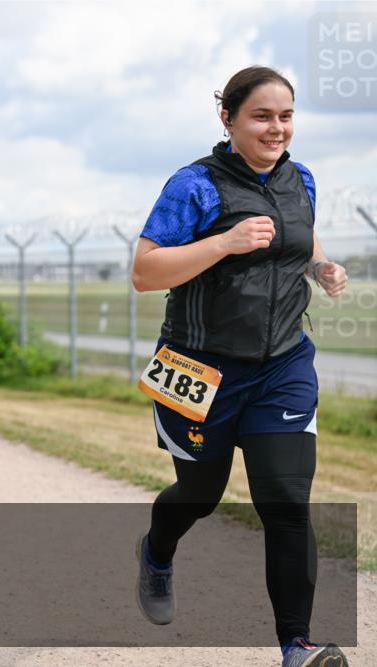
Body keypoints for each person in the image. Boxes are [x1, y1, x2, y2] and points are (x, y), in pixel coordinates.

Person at [131, 66, 349, 667]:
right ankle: (157, 550)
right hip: (197, 368)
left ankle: (297, 646)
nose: (277, 128)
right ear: (227, 119)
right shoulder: (194, 186)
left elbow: (301, 239)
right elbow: (145, 273)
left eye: (286, 116)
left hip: (282, 364)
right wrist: (224, 242)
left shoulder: (299, 177)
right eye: (261, 116)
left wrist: (322, 268)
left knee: (284, 498)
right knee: (200, 494)